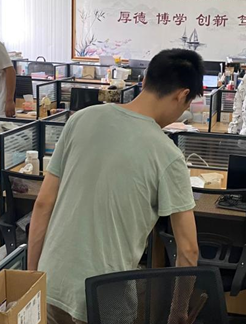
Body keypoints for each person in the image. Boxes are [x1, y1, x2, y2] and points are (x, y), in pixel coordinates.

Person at [28, 49, 201, 324]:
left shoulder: (80, 119)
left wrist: (32, 280)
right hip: (105, 296)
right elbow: (189, 250)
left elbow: (43, 204)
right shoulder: (168, 155)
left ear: (144, 81)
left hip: (53, 281)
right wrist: (178, 312)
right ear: (182, 95)